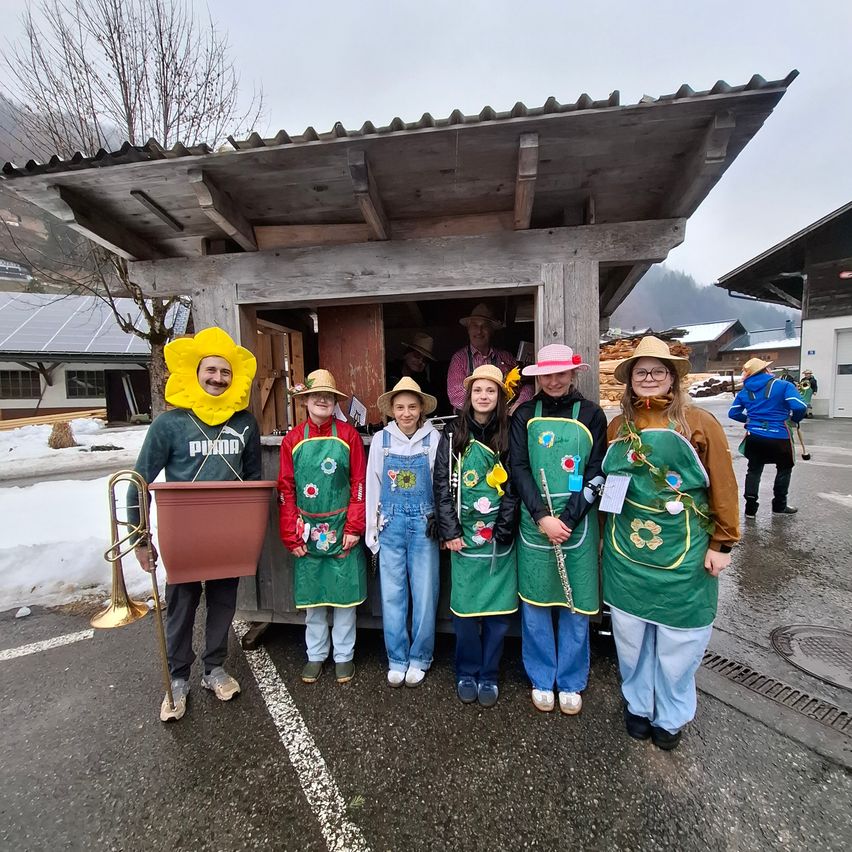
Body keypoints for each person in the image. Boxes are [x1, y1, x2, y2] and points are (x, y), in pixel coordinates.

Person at [602, 336, 740, 750]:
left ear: (671, 379)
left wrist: (723, 542)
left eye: (657, 371)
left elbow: (724, 486)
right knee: (630, 636)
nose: (648, 378)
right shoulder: (618, 426)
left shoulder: (699, 422)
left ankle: (672, 714)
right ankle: (638, 705)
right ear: (630, 382)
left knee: (680, 640)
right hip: (627, 549)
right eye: (641, 372)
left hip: (685, 550)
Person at [130, 327, 261, 722]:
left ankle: (215, 669)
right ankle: (178, 678)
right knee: (181, 605)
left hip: (229, 534)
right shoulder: (168, 425)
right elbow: (139, 481)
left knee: (223, 603)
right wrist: (140, 538)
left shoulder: (245, 423)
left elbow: (253, 480)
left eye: (225, 372)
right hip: (184, 534)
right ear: (195, 372)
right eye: (211, 371)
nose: (218, 378)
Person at [510, 344, 607, 715]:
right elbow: (519, 469)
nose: (553, 381)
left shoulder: (592, 414)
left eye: (560, 374)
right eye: (546, 375)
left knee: (576, 603)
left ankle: (570, 679)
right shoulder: (524, 415)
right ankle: (540, 676)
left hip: (576, 523)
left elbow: (598, 471)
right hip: (536, 521)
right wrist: (542, 518)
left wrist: (568, 519)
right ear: (538, 377)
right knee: (535, 601)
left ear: (572, 374)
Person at [433, 364, 519, 707]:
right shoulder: (453, 434)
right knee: (465, 614)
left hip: (499, 536)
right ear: (468, 396)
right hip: (464, 537)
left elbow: (514, 485)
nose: (484, 397)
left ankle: (489, 673)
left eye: (491, 391)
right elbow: (441, 484)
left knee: (498, 617)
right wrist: (450, 531)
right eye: (478, 391)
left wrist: (504, 528)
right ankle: (466, 670)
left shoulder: (510, 432)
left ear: (499, 397)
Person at [278, 369, 367, 684]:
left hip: (342, 527)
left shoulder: (348, 436)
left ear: (334, 402)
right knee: (314, 601)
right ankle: (315, 654)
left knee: (344, 599)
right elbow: (286, 488)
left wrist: (355, 526)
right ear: (305, 401)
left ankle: (344, 655)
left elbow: (359, 484)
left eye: (328, 396)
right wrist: (291, 532)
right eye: (316, 396)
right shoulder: (292, 439)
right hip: (307, 530)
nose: (322, 400)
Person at [365, 377, 440, 687]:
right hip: (391, 523)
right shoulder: (382, 440)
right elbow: (373, 485)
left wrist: (441, 523)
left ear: (421, 408)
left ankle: (421, 656)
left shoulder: (433, 438)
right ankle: (397, 657)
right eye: (400, 407)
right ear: (391, 410)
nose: (406, 413)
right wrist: (372, 527)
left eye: (412, 406)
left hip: (425, 524)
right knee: (393, 593)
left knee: (425, 593)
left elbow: (439, 484)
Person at [729, 357, 808, 516]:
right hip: (780, 436)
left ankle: (750, 509)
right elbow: (800, 406)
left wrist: (750, 420)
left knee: (754, 471)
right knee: (784, 469)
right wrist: (795, 419)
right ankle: (779, 506)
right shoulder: (784, 385)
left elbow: (733, 413)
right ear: (766, 370)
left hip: (755, 436)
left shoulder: (745, 391)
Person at [446, 302, 532, 412]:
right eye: (475, 326)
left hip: (503, 421)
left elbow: (527, 385)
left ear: (492, 330)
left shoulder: (506, 357)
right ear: (468, 329)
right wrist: (490, 409)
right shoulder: (459, 359)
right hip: (469, 421)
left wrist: (519, 404)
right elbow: (456, 395)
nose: (479, 331)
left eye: (484, 326)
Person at [386, 332, 445, 411]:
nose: (420, 361)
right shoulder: (389, 372)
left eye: (425, 360)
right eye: (417, 356)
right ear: (406, 354)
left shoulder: (423, 382)